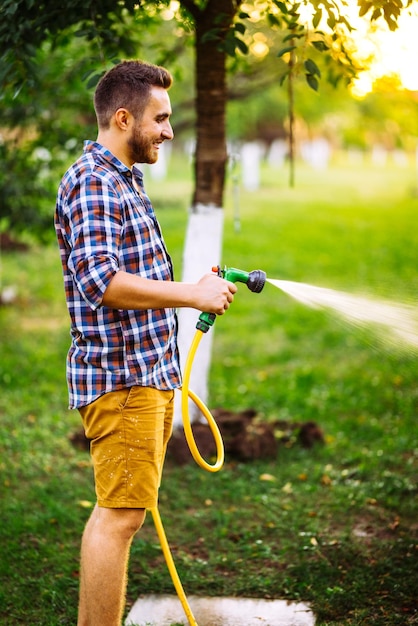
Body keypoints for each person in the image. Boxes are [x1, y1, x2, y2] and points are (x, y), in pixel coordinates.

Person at [54, 59, 236, 626]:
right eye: (160, 118)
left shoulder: (122, 179)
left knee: (124, 514)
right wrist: (190, 294)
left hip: (145, 377)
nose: (169, 130)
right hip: (124, 380)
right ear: (124, 117)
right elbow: (101, 283)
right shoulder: (94, 183)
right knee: (119, 518)